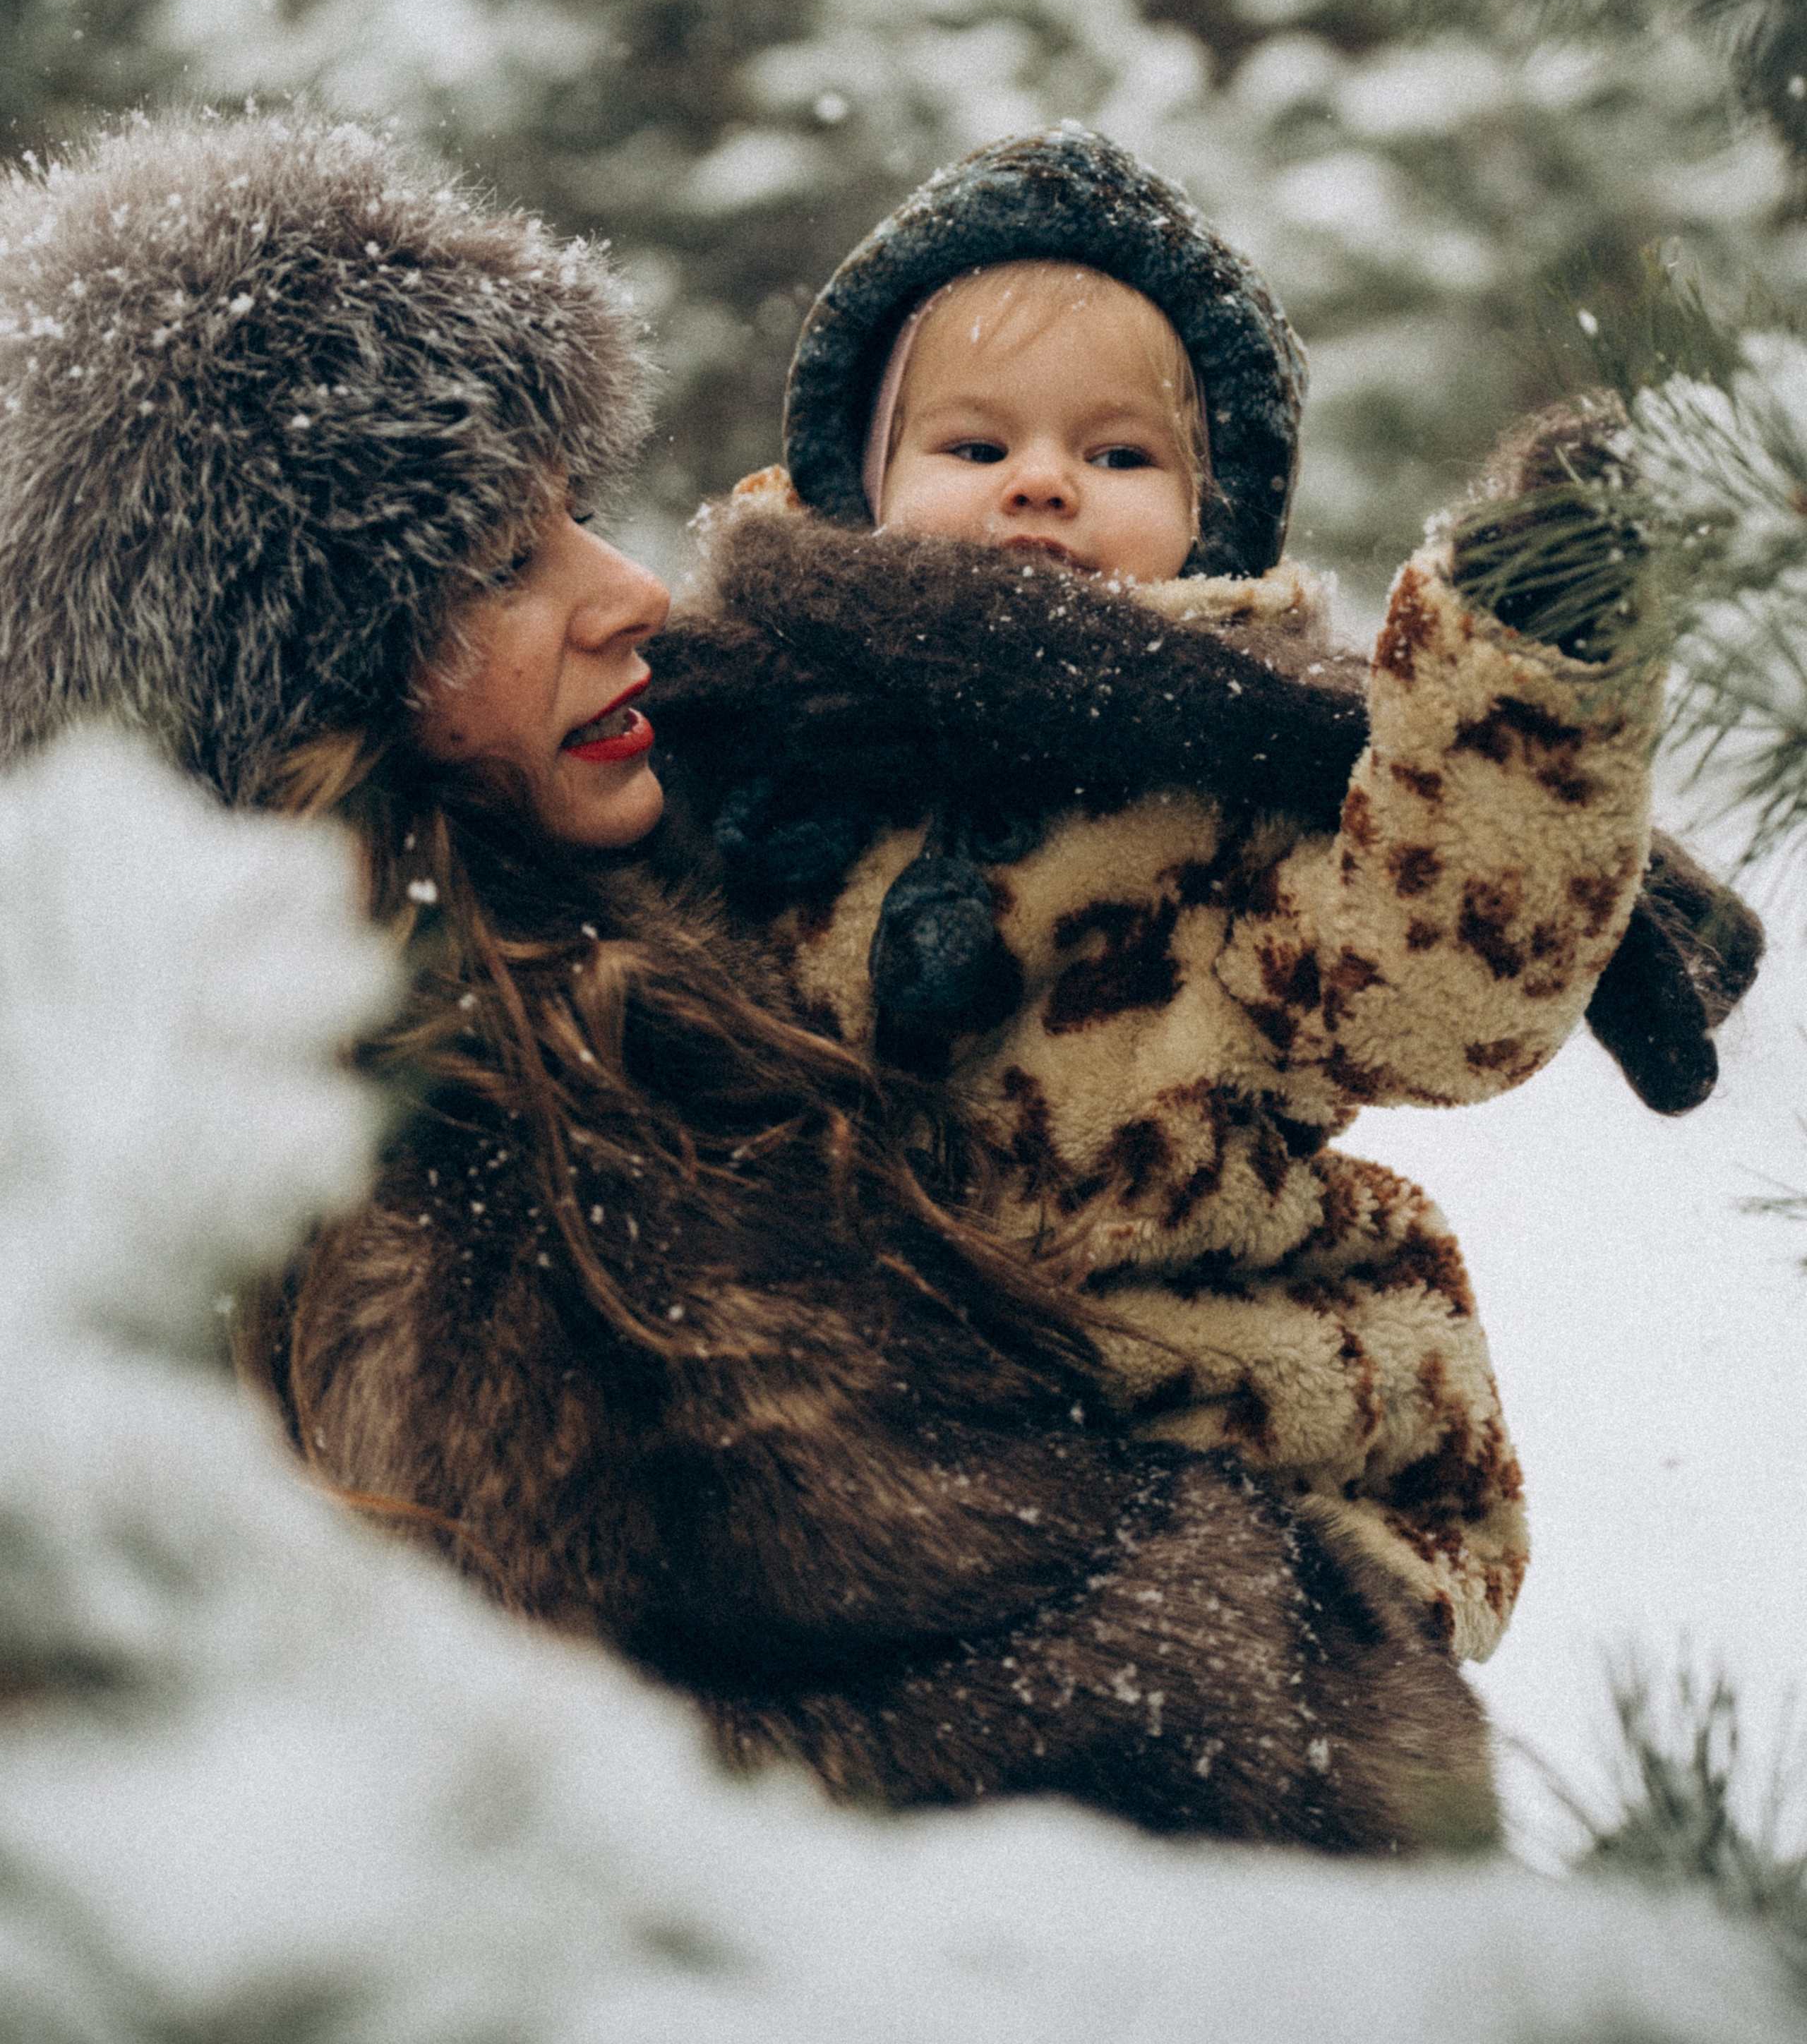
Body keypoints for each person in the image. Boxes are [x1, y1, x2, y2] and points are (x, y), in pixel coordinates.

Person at [0, 107, 1498, 1853]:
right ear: (306, 692)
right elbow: (721, 1758)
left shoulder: (639, 908)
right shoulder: (462, 1170)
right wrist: (1319, 1613)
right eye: (503, 563)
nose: (632, 588)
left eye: (579, 519)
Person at [645, 123, 1762, 1667]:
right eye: (975, 448)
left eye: (1116, 457)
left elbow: (1440, 989)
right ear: (855, 484)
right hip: (837, 1468)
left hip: (1204, 1454)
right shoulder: (743, 738)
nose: (1043, 485)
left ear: (1206, 512)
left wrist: (1526, 690)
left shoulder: (1236, 799)